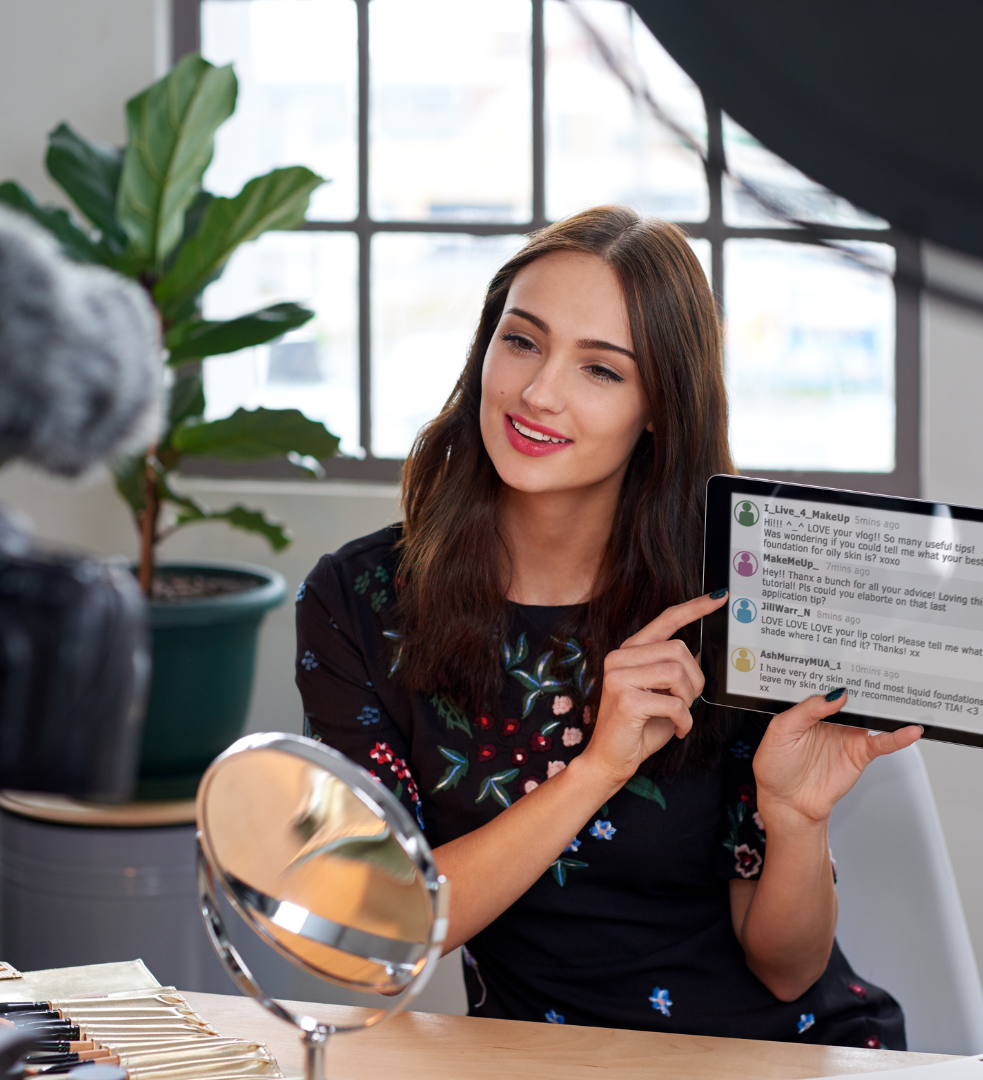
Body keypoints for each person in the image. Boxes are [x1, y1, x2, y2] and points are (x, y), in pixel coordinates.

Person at [294, 206, 923, 1047]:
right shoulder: (360, 602)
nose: (539, 391)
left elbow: (788, 969)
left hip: (776, 1058)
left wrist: (795, 820)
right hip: (535, 1059)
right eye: (521, 341)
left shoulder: (729, 600)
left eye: (601, 370)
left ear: (658, 409)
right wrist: (598, 767)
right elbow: (383, 925)